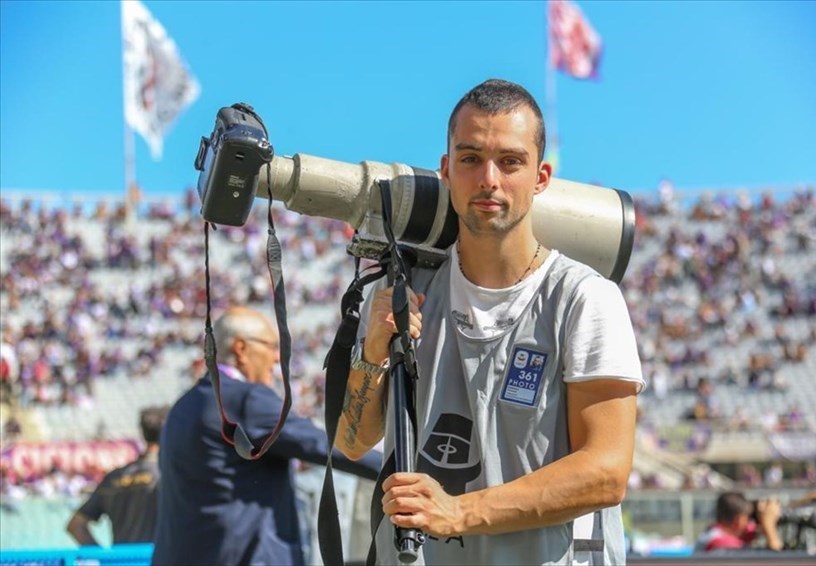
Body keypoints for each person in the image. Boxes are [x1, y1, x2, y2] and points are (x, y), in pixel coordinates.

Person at [335, 79, 644, 565]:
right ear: (446, 169)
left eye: (510, 161)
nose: (489, 179)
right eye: (471, 158)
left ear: (541, 177)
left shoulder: (584, 298)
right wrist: (374, 352)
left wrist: (459, 512)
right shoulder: (403, 292)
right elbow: (352, 443)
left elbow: (605, 472)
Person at [152, 306, 382, 566]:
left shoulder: (182, 405)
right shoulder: (246, 399)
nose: (276, 358)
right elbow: (325, 446)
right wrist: (395, 467)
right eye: (272, 346)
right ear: (241, 349)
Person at [66, 405, 169, 546]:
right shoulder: (168, 475)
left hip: (122, 557)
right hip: (158, 556)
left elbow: (76, 526)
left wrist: (102, 557)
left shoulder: (114, 478)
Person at [696, 491, 782, 552]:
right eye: (748, 519)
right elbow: (776, 559)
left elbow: (750, 532)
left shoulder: (713, 532)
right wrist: (769, 526)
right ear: (739, 520)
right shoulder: (719, 543)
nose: (749, 523)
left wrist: (763, 526)